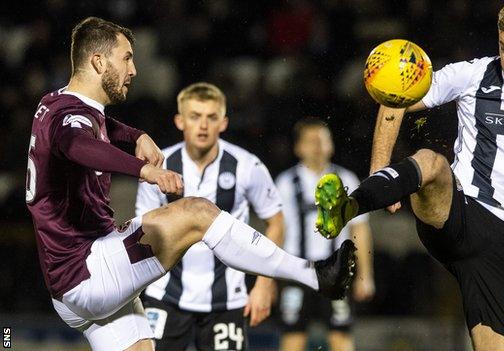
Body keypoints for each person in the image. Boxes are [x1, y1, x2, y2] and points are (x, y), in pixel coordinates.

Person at [25, 17, 356, 351]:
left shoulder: (53, 103)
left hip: (70, 286)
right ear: (98, 61)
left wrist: (134, 135)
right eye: (126, 57)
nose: (134, 69)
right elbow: (76, 144)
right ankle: (315, 275)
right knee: (197, 212)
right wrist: (145, 171)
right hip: (90, 272)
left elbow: (91, 126)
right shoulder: (72, 122)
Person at [314, 1, 504, 350]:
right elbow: (395, 98)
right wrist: (379, 172)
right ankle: (350, 206)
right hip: (457, 212)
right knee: (432, 163)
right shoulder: (472, 74)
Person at [135, 82, 283, 350]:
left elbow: (276, 220)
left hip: (226, 302)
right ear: (180, 121)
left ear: (223, 123)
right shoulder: (158, 167)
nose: (203, 125)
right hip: (165, 296)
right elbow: (144, 233)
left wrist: (263, 285)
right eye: (195, 116)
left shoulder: (247, 166)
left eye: (211, 117)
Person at [275, 119, 375, 351]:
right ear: (298, 147)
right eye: (310, 141)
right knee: (293, 337)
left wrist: (365, 276)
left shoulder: (347, 180)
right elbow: (277, 229)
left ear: (331, 145)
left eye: (322, 140)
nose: (317, 146)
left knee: (341, 336)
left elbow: (359, 229)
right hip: (296, 271)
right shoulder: (285, 183)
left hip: (337, 271)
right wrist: (267, 277)